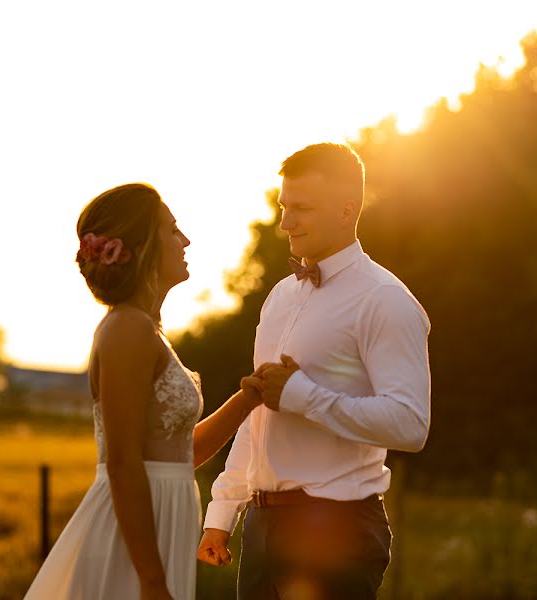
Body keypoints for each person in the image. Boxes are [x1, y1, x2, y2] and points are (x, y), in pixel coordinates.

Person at [198, 143, 432, 599]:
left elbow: (411, 424)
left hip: (336, 530)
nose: (286, 222)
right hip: (264, 528)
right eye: (285, 206)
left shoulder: (386, 301)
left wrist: (304, 395)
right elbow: (260, 415)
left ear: (347, 211)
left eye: (301, 208)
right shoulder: (280, 298)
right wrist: (223, 512)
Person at [24, 183, 264, 600]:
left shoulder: (146, 332)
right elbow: (122, 463)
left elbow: (179, 454)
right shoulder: (126, 330)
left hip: (161, 520)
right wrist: (152, 581)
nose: (185, 240)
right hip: (132, 536)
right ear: (144, 246)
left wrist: (249, 397)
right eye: (173, 230)